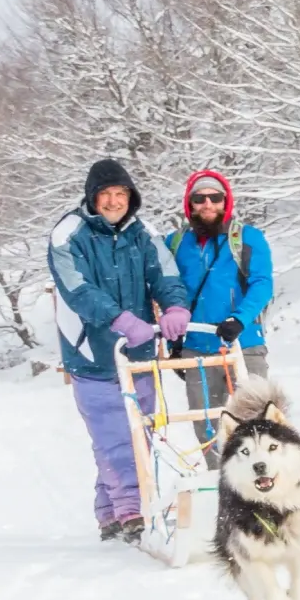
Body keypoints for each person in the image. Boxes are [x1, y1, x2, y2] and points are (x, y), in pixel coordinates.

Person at [50, 157, 190, 543]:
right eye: (106, 195)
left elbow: (164, 272)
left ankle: (109, 511)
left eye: (121, 194)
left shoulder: (142, 231)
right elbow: (77, 290)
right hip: (92, 353)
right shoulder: (68, 234)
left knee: (139, 432)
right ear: (92, 198)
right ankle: (132, 508)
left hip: (139, 351)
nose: (114, 202)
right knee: (113, 434)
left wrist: (175, 305)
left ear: (131, 196)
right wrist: (119, 319)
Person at [164, 169, 275, 459]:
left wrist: (239, 318)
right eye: (200, 198)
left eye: (215, 197)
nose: (208, 204)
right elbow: (165, 289)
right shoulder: (175, 244)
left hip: (244, 344)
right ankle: (222, 492)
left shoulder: (247, 238)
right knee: (208, 431)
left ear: (226, 202)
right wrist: (173, 343)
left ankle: (266, 497)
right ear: (190, 205)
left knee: (259, 427)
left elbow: (262, 284)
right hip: (197, 350)